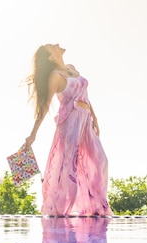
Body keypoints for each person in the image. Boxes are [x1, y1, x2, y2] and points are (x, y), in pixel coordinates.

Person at [24, 44, 113, 217]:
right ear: (51, 57)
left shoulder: (71, 68)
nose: (57, 44)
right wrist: (33, 134)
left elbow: (85, 95)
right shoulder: (55, 76)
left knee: (100, 161)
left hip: (85, 122)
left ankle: (95, 206)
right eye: (52, 47)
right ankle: (61, 210)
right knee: (68, 169)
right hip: (70, 124)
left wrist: (95, 118)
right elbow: (44, 106)